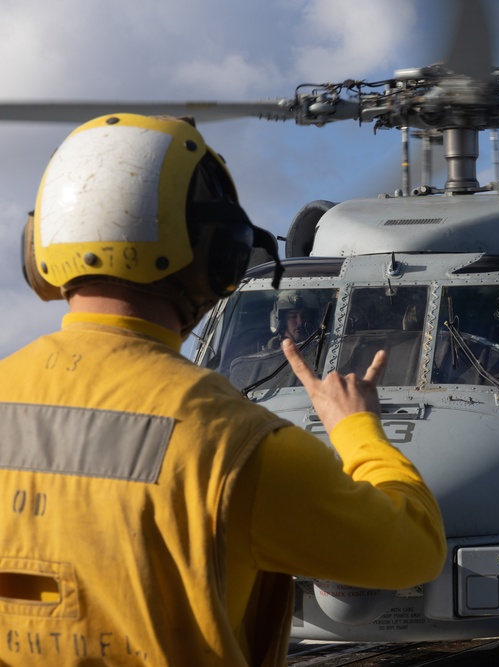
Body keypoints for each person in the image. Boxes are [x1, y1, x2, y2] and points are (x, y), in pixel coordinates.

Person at [2, 114, 446, 665]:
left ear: (39, 251)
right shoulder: (239, 446)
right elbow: (414, 548)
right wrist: (356, 428)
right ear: (221, 256)